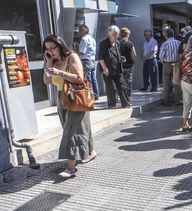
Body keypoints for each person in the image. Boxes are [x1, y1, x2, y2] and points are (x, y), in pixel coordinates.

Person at [42, 34, 97, 178]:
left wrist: (60, 72)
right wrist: (48, 63)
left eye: (52, 48)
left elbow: (79, 78)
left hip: (75, 97)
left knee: (72, 132)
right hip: (62, 99)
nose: (50, 51)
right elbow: (47, 81)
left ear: (60, 45)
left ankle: (71, 168)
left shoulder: (72, 57)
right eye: (47, 49)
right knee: (80, 127)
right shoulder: (52, 61)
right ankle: (91, 151)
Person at [98, 25, 130, 108]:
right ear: (109, 35)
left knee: (121, 86)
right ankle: (112, 104)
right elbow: (100, 58)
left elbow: (117, 54)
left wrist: (121, 58)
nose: (116, 36)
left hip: (117, 68)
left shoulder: (117, 43)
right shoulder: (104, 44)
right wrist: (105, 68)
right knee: (111, 88)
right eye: (114, 34)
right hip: (107, 69)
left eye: (117, 34)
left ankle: (125, 103)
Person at [159, 28, 182, 106]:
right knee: (176, 83)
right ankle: (177, 101)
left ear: (166, 35)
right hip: (176, 63)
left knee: (166, 82)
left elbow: (161, 56)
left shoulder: (165, 44)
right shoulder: (179, 42)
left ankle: (166, 101)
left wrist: (163, 61)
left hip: (167, 64)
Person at [77, 24, 99, 100]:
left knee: (88, 79)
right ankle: (96, 95)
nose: (79, 33)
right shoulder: (92, 39)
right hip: (92, 61)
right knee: (93, 79)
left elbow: (82, 52)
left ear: (83, 31)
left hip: (86, 61)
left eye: (79, 31)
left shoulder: (84, 39)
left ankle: (91, 96)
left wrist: (73, 53)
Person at [119, 27, 137, 97]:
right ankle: (128, 97)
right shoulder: (130, 43)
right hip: (129, 65)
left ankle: (121, 96)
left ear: (120, 34)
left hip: (120, 65)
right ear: (128, 35)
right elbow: (134, 55)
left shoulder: (117, 43)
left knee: (120, 81)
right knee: (128, 81)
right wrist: (133, 62)